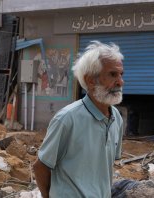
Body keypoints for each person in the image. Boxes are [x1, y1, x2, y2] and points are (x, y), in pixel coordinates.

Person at [33, 41, 125, 198]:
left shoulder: (116, 117)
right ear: (90, 80)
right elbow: (41, 167)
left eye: (121, 74)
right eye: (112, 74)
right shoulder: (67, 119)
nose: (120, 82)